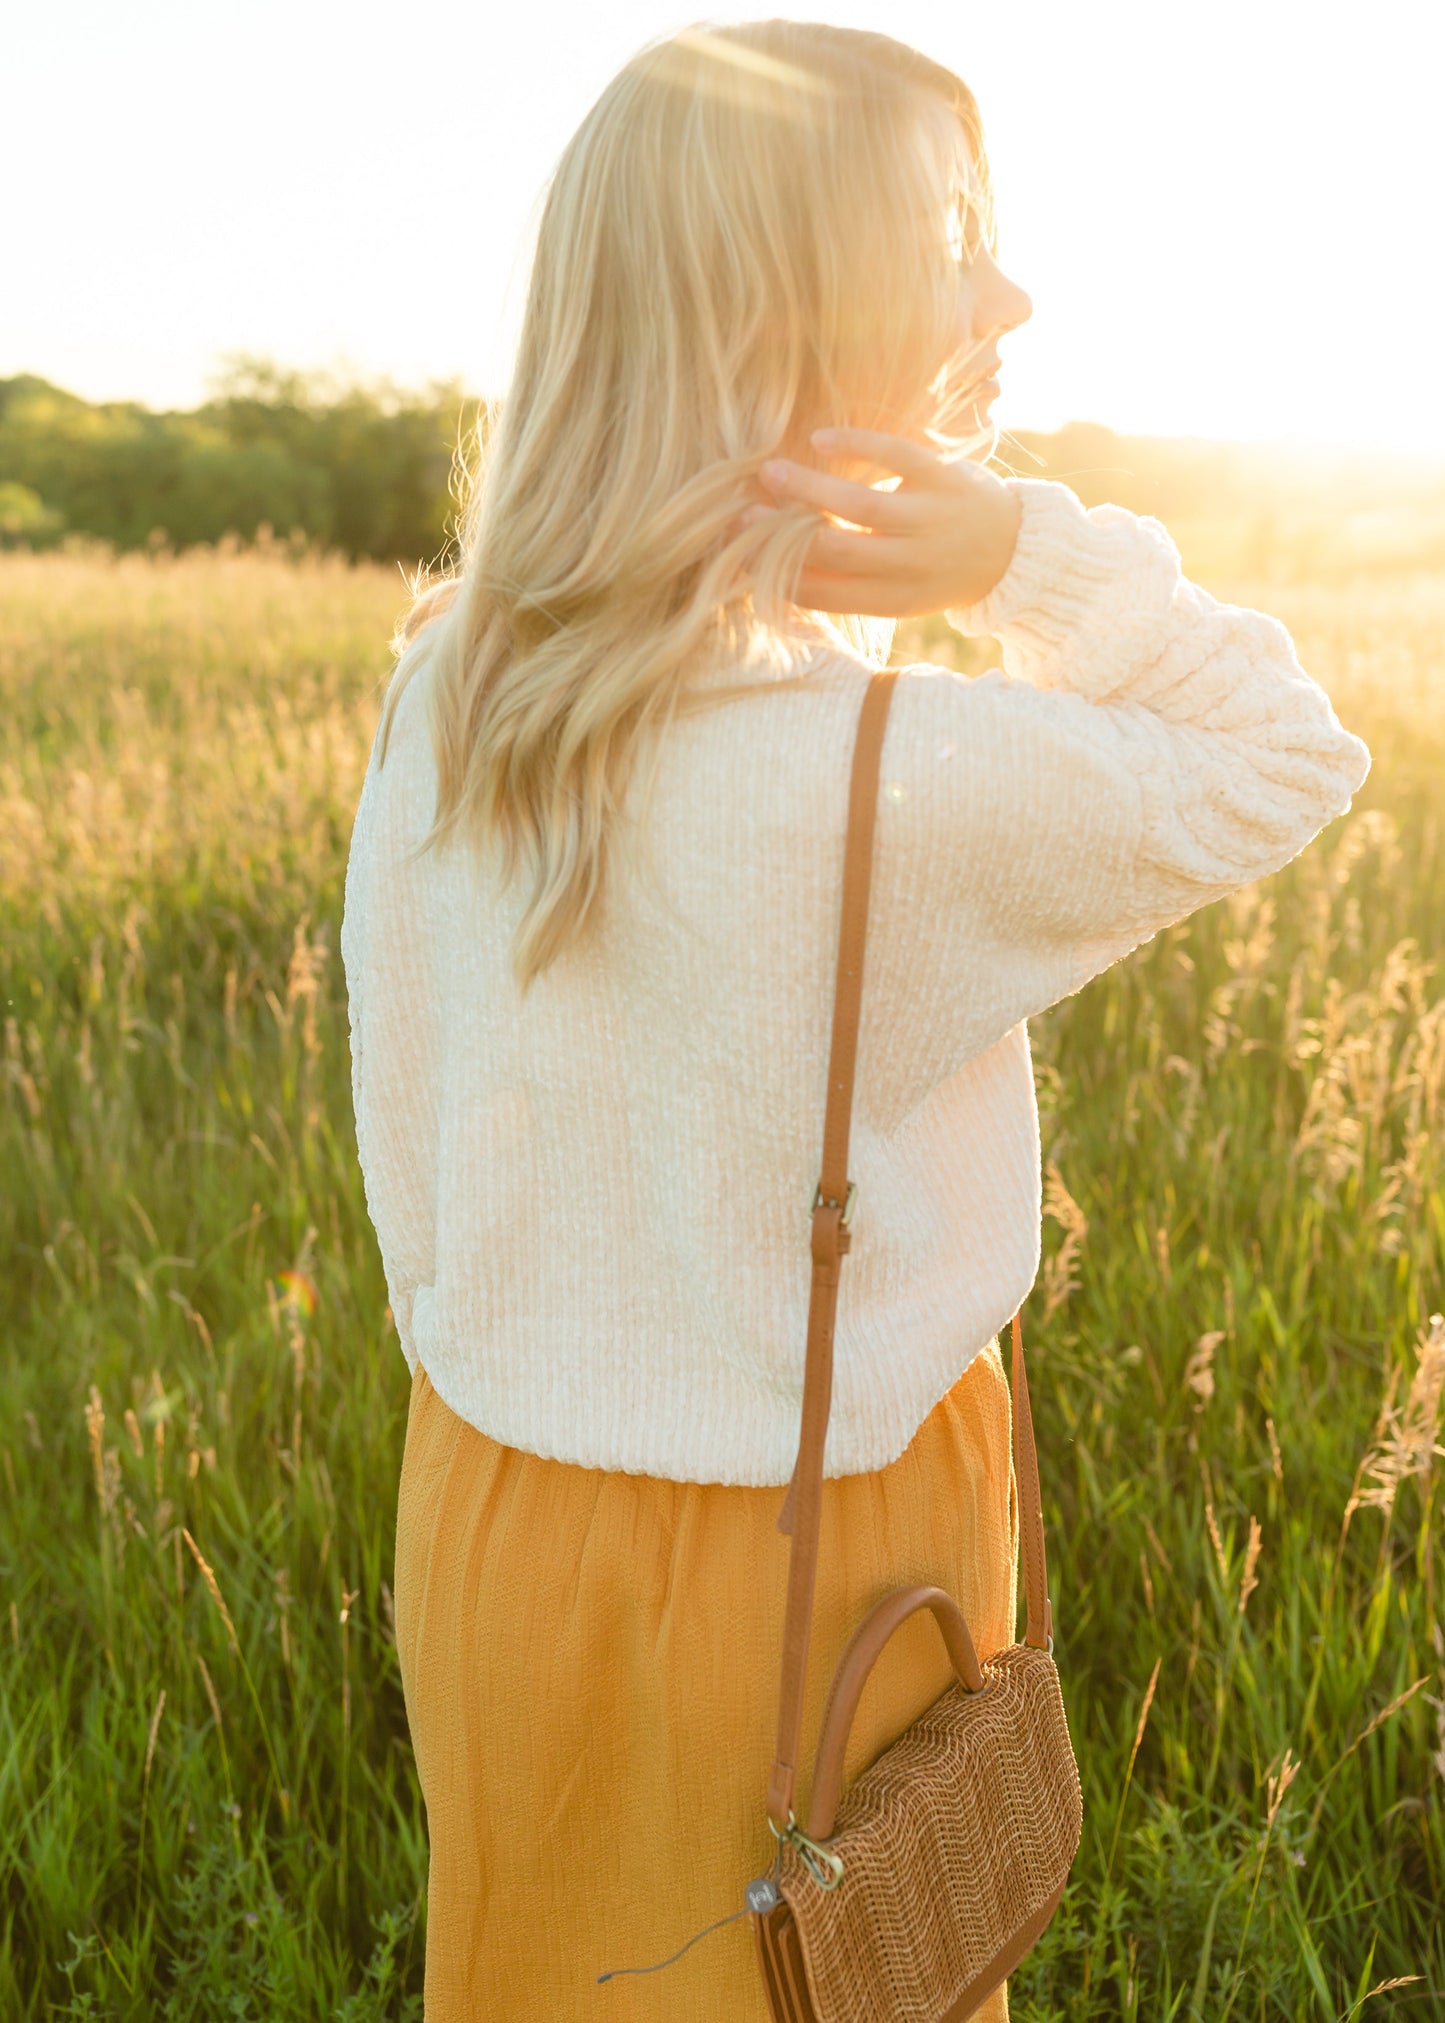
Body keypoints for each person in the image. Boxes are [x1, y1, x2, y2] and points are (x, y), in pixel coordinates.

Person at [339, 20, 1370, 2020]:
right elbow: (1282, 752)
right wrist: (1025, 554)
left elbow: (421, 1118)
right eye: (952, 235)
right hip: (817, 1541)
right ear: (779, 300)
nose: (1012, 293)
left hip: (493, 1517)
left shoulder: (456, 681)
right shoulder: (887, 763)